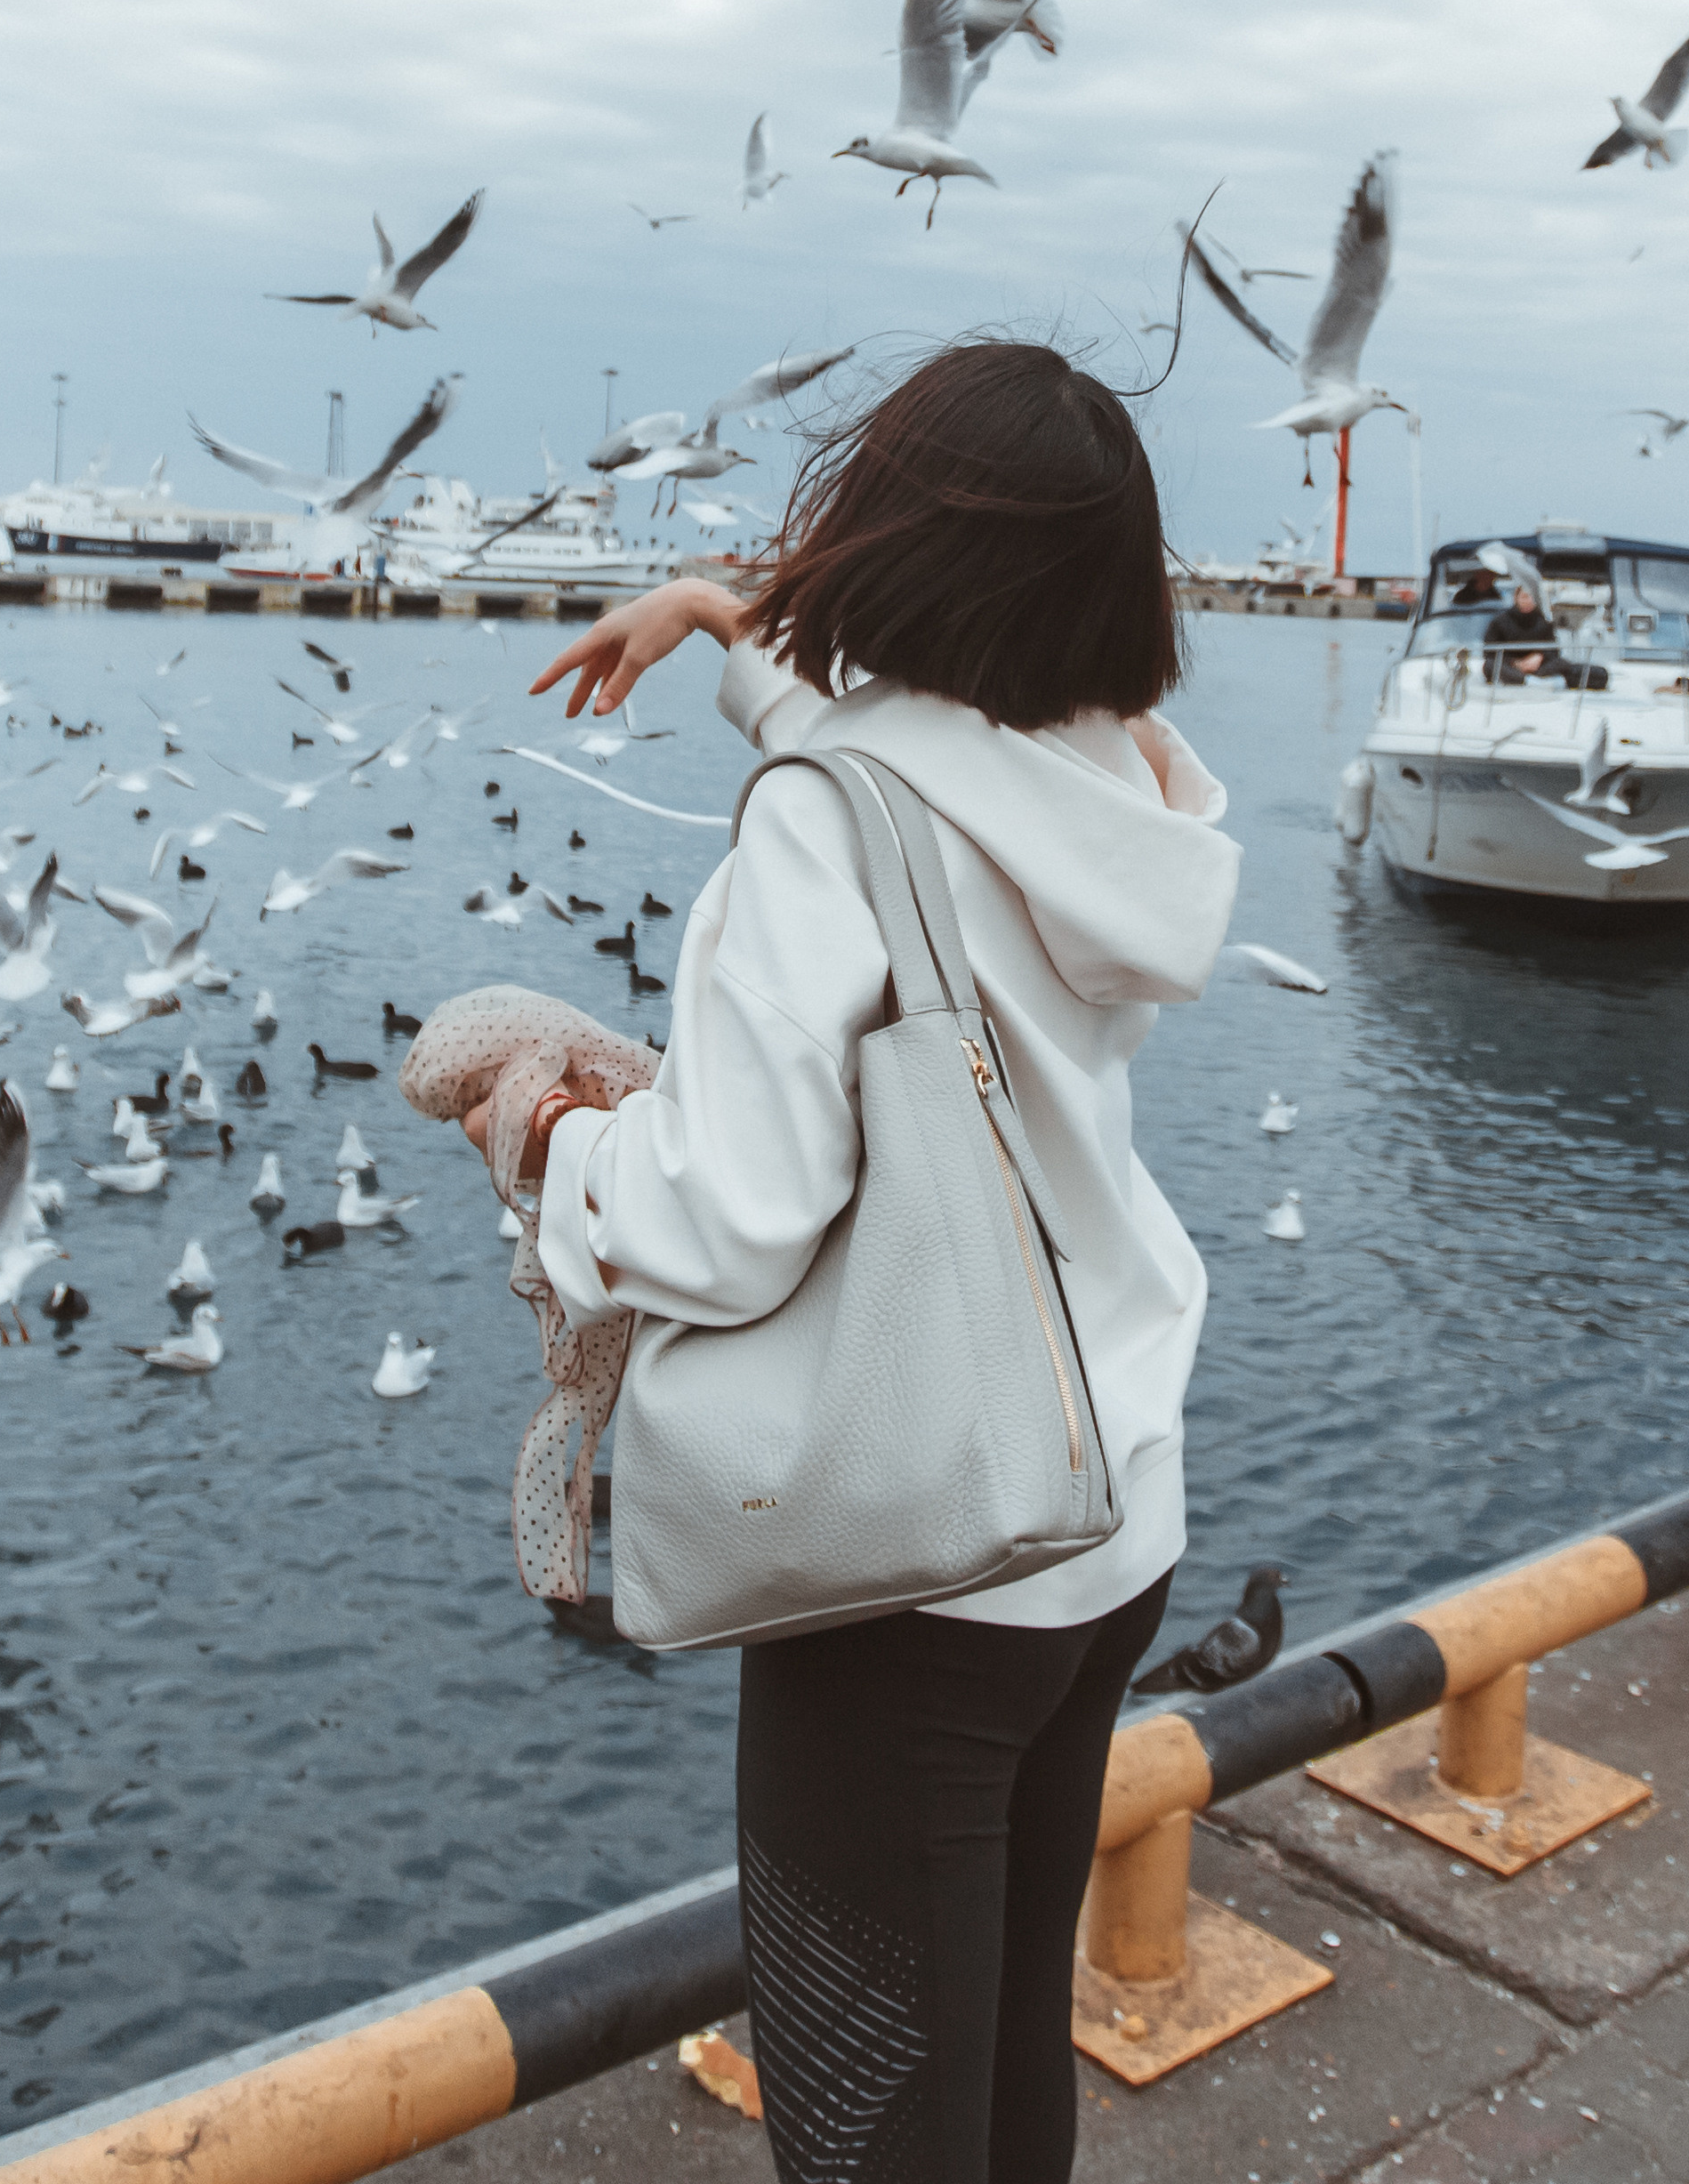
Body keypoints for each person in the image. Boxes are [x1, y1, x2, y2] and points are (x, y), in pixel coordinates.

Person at [464, 342, 1240, 2184]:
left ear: (894, 534)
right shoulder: (1114, 777)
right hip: (1100, 1514)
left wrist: (548, 1136)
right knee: (1001, 2044)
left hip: (913, 1567)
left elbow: (724, 1219)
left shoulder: (831, 820)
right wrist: (711, 618)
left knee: (867, 2100)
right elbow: (903, 763)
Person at [1484, 581, 1556, 678]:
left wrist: (1540, 657)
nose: (1529, 601)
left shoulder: (1544, 622)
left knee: (1564, 664)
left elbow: (1553, 651)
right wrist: (1515, 663)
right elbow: (1490, 652)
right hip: (1509, 667)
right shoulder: (1500, 621)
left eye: (1533, 598)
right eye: (1525, 597)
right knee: (1489, 665)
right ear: (1516, 598)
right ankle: (1525, 680)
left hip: (1538, 668)